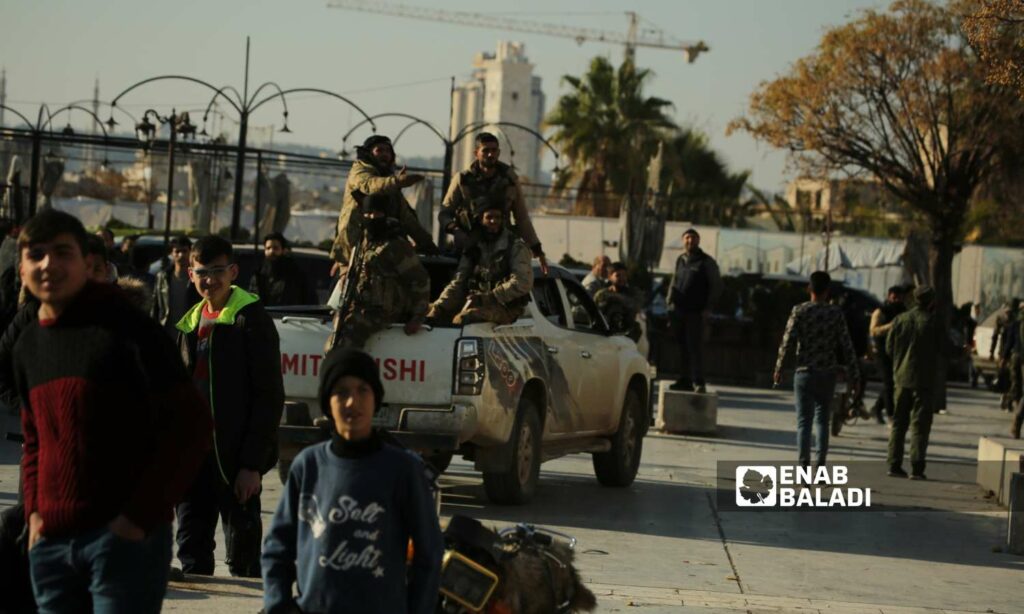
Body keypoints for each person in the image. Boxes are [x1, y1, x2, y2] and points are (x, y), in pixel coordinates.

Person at [14, 209, 211, 611]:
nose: (48, 263)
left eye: (62, 252)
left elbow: (191, 426)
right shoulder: (29, 344)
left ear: (88, 265)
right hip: (52, 547)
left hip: (122, 543)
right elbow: (35, 439)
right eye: (36, 253)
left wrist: (138, 518)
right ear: (22, 268)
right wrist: (35, 514)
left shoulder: (130, 330)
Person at [262, 347, 443, 614]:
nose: (352, 402)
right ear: (327, 401)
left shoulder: (403, 470)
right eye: (341, 392)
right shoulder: (308, 466)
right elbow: (277, 548)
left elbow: (429, 553)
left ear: (376, 398)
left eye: (362, 390)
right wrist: (278, 605)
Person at [174, 235, 285, 578]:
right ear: (190, 274)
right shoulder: (190, 323)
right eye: (201, 272)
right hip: (193, 456)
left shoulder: (250, 320)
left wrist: (252, 464)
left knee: (244, 558)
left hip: (235, 460)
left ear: (233, 271)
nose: (209, 280)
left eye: (217, 271)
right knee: (191, 550)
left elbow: (269, 396)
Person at [774, 271, 860, 468]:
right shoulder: (835, 313)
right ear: (828, 291)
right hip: (827, 372)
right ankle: (820, 466)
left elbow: (787, 342)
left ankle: (803, 467)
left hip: (804, 371)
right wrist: (854, 374)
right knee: (822, 420)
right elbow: (846, 345)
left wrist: (778, 368)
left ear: (809, 289)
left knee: (804, 422)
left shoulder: (799, 310)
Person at [439, 132, 548, 275]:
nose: (490, 155)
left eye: (494, 150)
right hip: (471, 249)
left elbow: (522, 218)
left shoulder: (510, 180)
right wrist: (456, 230)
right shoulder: (462, 180)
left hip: (502, 250)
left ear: (499, 152)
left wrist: (537, 250)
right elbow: (445, 213)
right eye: (486, 150)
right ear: (476, 153)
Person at [332, 193, 430, 349]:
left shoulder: (396, 245)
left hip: (383, 312)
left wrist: (417, 317)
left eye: (377, 213)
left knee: (348, 339)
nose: (371, 217)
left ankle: (348, 369)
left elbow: (419, 280)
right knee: (336, 334)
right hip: (358, 306)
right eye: (368, 213)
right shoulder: (362, 241)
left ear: (384, 215)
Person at [329, 135, 437, 273]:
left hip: (381, 248)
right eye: (379, 150)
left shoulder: (389, 182)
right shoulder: (360, 170)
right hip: (353, 247)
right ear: (369, 153)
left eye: (388, 151)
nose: (385, 154)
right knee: (349, 286)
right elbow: (370, 185)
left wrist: (426, 243)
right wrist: (396, 181)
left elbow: (406, 217)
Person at [429, 199, 534, 326]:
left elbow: (522, 282)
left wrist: (489, 297)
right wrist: (439, 307)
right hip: (477, 303)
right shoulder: (474, 246)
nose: (493, 221)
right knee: (430, 312)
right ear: (481, 220)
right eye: (489, 217)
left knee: (466, 318)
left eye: (498, 217)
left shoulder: (515, 246)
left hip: (506, 308)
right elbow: (458, 283)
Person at [886, 286, 943, 479]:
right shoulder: (932, 323)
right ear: (931, 302)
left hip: (901, 380)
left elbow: (889, 348)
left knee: (898, 423)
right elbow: (945, 349)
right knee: (919, 425)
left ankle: (894, 464)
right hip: (924, 382)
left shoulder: (900, 320)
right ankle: (917, 467)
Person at [667, 228, 721, 393]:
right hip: (678, 311)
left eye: (693, 238)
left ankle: (698, 381)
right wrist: (669, 303)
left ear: (698, 240)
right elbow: (674, 282)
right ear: (683, 240)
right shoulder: (680, 260)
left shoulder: (706, 262)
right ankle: (684, 379)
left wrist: (708, 308)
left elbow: (716, 286)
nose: (690, 241)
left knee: (694, 347)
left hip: (696, 312)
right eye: (687, 238)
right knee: (681, 346)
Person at [868, 285, 907, 424]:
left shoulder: (904, 312)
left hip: (898, 352)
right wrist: (890, 326)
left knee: (893, 384)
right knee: (889, 383)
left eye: (900, 296)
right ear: (889, 296)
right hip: (882, 352)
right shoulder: (880, 311)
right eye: (895, 296)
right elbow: (873, 330)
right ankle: (891, 415)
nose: (897, 299)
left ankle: (877, 408)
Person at [249, 232, 317, 307]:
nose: (271, 251)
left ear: (283, 250)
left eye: (275, 248)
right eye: (268, 248)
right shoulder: (258, 275)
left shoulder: (295, 274)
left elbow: (309, 300)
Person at [151, 235, 199, 337]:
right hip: (167, 333)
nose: (181, 255)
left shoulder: (197, 279)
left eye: (185, 251)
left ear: (191, 253)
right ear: (172, 254)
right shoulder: (162, 277)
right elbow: (156, 307)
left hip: (190, 334)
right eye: (177, 251)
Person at [594, 262, 644, 342]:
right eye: (618, 275)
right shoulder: (602, 294)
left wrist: (617, 297)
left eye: (624, 275)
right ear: (610, 277)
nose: (622, 278)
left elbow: (636, 306)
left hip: (626, 336)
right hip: (605, 335)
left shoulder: (633, 293)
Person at [993, 299, 1022, 412]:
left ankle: (1009, 400)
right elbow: (1006, 341)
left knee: (1013, 381)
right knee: (1010, 380)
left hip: (1012, 355)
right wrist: (1003, 356)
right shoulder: (1009, 323)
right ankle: (1008, 400)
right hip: (1010, 354)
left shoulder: (1016, 323)